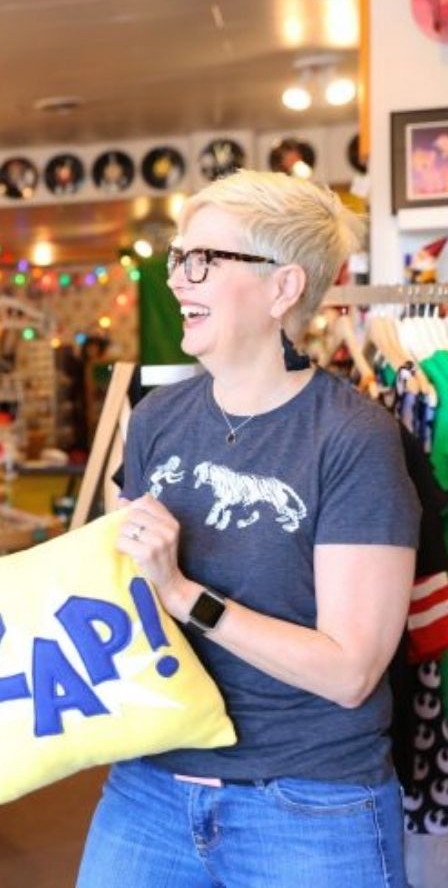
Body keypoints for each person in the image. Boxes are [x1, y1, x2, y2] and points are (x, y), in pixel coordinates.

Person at [77, 170, 420, 888]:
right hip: (148, 788)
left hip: (307, 805)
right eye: (178, 258)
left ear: (282, 287)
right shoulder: (156, 420)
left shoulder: (354, 438)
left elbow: (351, 671)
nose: (178, 280)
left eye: (203, 259)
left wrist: (183, 593)